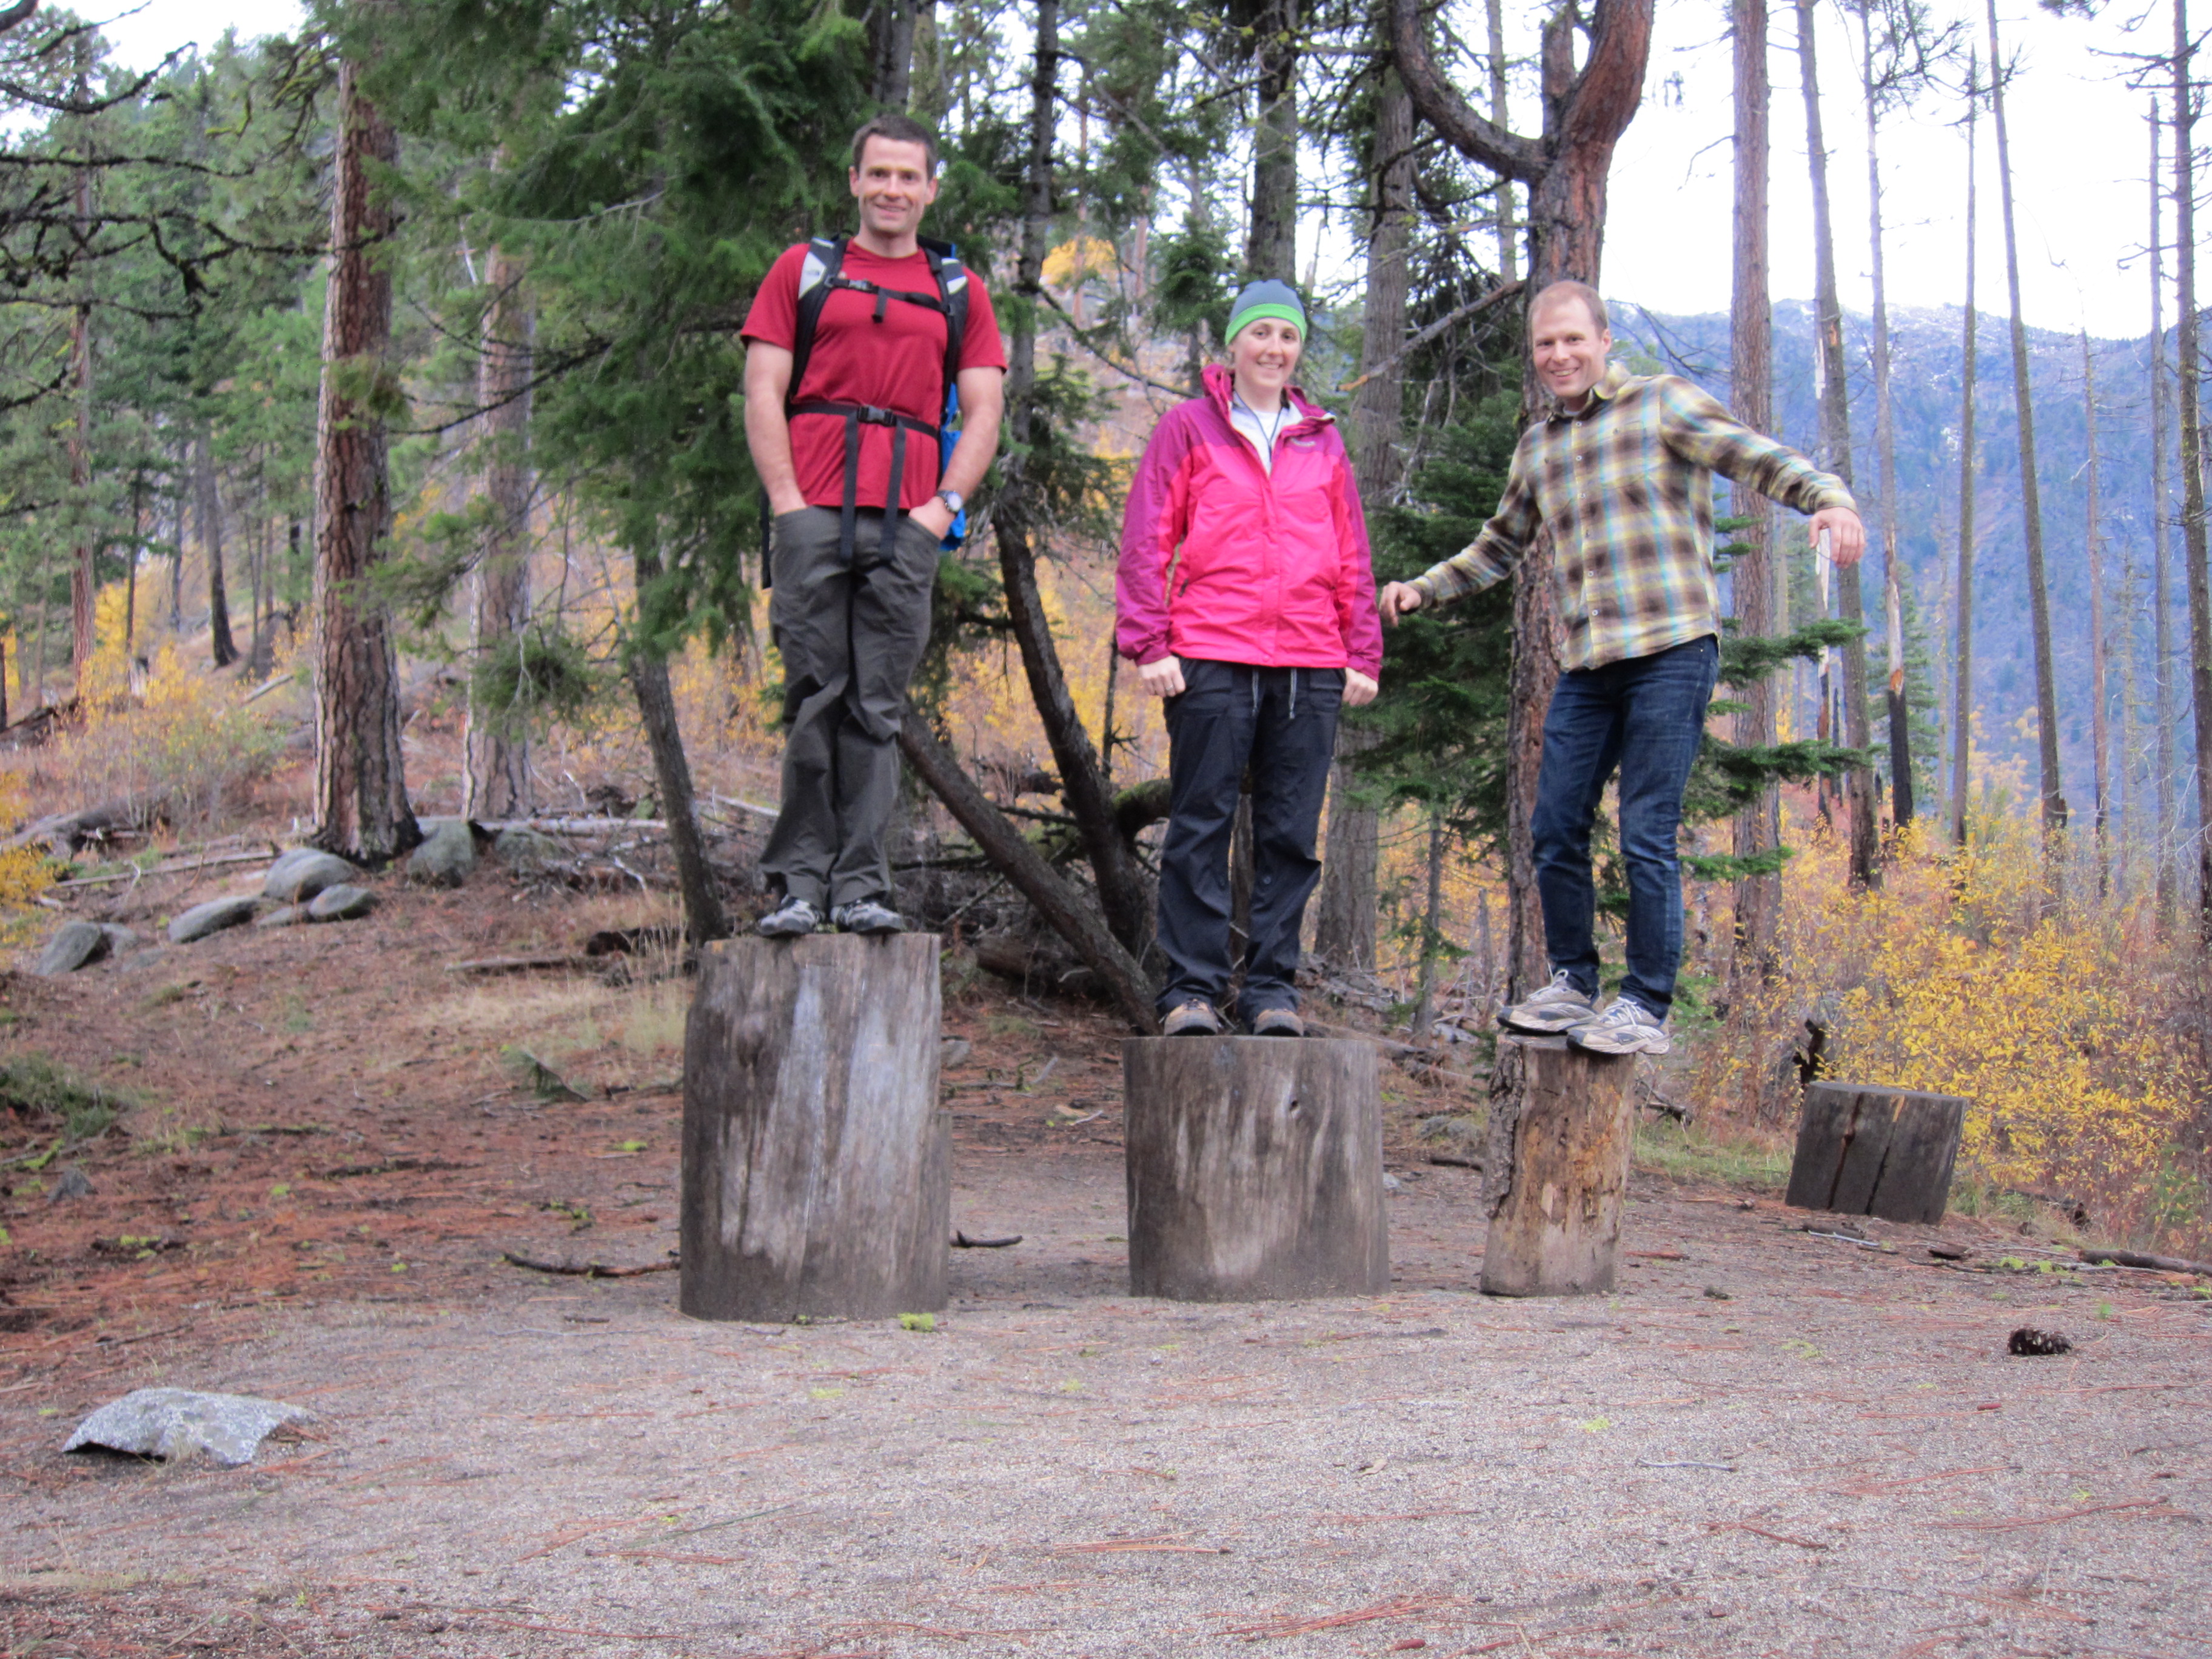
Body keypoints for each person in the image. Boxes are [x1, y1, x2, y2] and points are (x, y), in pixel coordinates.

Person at [1379, 280, 1865, 1057]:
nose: (1560, 355)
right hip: (1590, 663)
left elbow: (1755, 456)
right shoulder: (1538, 448)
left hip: (1672, 649)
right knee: (1554, 824)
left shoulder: (1662, 404)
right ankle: (1573, 982)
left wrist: (1828, 500)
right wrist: (1424, 588)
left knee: (1646, 830)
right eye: (1545, 344)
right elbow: (1499, 544)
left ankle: (1644, 1003)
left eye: (1574, 339)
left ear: (1604, 341)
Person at [741, 113, 1006, 937]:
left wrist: (941, 510)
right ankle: (798, 885)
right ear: (855, 181)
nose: (893, 190)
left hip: (908, 524)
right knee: (813, 698)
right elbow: (762, 389)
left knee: (876, 709)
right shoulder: (805, 270)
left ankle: (860, 886)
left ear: (931, 189)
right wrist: (787, 503)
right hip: (812, 513)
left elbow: (986, 408)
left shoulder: (958, 290)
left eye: (908, 177)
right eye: (879, 174)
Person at [1116, 280, 1382, 1037]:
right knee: (1201, 824)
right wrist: (1149, 642)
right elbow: (1147, 537)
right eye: (1261, 333)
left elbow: (1352, 553)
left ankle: (1271, 992)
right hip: (1210, 653)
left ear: (1299, 350)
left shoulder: (1322, 438)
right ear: (1233, 345)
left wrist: (1361, 650)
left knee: (1290, 835)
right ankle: (1191, 992)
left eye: (1288, 336)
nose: (1274, 348)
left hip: (1309, 663)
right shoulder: (1190, 428)